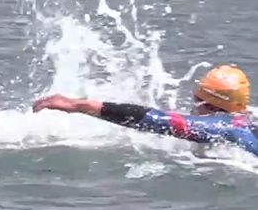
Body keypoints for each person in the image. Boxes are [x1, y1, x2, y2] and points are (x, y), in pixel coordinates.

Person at [32, 64, 258, 157]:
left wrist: (80, 106)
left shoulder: (220, 127)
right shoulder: (248, 119)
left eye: (197, 99)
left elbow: (151, 119)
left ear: (208, 103)